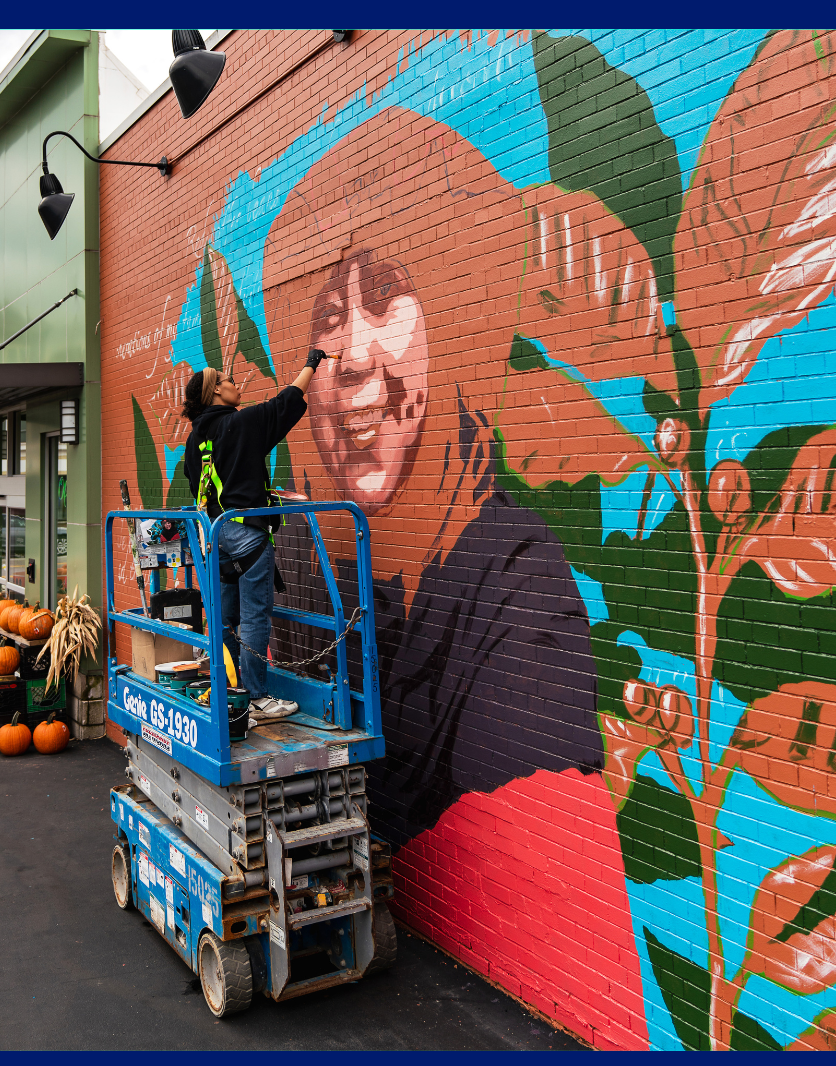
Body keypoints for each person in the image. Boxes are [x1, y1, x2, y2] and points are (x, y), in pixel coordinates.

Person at [261, 107, 669, 847]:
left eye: (385, 299)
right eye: (326, 315)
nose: (349, 354)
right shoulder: (303, 550)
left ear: (459, 328)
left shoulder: (521, 596)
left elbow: (545, 859)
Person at [181, 353, 326, 720]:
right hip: (246, 534)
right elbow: (287, 402)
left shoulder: (194, 437)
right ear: (216, 391)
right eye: (228, 380)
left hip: (215, 537)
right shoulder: (241, 423)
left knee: (226, 619)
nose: (235, 384)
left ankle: (230, 688)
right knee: (255, 616)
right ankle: (258, 698)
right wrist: (312, 363)